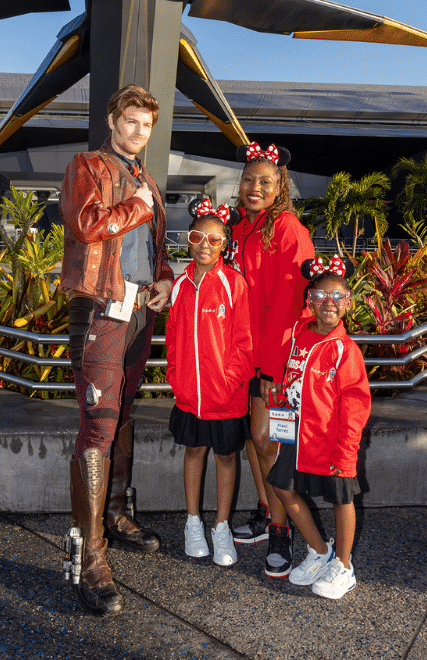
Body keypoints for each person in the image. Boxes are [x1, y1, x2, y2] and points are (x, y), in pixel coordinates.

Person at [61, 84, 174, 615]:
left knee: (124, 414)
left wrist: (165, 280)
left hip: (139, 310)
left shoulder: (145, 180)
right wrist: (135, 206)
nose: (137, 132)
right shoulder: (89, 165)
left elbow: (154, 249)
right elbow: (86, 226)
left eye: (145, 125)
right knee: (97, 426)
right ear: (112, 119)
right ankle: (90, 557)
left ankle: (115, 512)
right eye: (130, 121)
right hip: (102, 310)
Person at [224, 142, 316, 577]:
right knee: (250, 439)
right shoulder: (241, 227)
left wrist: (272, 367)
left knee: (267, 442)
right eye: (248, 179)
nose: (254, 187)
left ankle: (282, 531)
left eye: (265, 181)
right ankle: (265, 510)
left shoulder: (286, 229)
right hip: (239, 354)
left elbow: (289, 304)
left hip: (271, 357)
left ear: (280, 186)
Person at [270, 256, 372, 600]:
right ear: (309, 300)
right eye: (320, 295)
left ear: (348, 302)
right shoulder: (299, 333)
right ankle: (319, 550)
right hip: (295, 433)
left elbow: (356, 405)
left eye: (337, 296)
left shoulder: (345, 350)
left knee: (341, 498)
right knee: (282, 487)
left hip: (331, 440)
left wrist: (347, 450)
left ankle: (344, 566)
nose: (328, 302)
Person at [167, 199, 255, 567]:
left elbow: (244, 343)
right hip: (190, 397)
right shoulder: (179, 286)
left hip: (227, 398)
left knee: (226, 458)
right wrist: (176, 378)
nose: (205, 244)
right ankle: (192, 523)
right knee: (193, 452)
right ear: (188, 240)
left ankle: (221, 526)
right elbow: (172, 338)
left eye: (214, 239)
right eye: (197, 236)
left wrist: (230, 382)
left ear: (225, 244)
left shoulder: (234, 284)